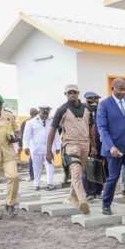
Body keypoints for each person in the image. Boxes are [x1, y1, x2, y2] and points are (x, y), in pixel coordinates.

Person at [46, 84, 93, 214]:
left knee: (80, 173)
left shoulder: (87, 109)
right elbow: (52, 130)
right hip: (70, 144)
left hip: (85, 144)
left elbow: (91, 128)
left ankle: (73, 197)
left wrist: (93, 145)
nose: (72, 94)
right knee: (76, 171)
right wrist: (48, 150)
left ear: (78, 93)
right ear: (65, 94)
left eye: (74, 92)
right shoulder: (62, 110)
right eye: (69, 93)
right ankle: (83, 201)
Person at [97, 78, 125, 215]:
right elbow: (102, 128)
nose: (124, 92)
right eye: (121, 89)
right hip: (114, 149)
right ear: (112, 88)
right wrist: (111, 146)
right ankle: (106, 204)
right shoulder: (104, 105)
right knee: (113, 177)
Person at [22, 106, 60, 191]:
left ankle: (50, 183)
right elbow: (26, 136)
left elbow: (56, 135)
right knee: (36, 167)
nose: (45, 115)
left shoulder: (52, 122)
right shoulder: (31, 122)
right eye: (44, 113)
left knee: (50, 165)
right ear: (40, 112)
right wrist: (26, 147)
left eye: (47, 113)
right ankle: (36, 184)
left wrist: (58, 146)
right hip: (36, 148)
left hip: (49, 149)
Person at [83, 92, 103, 200]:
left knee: (99, 167)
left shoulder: (100, 111)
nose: (94, 102)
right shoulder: (83, 112)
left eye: (96, 99)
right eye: (91, 100)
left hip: (100, 144)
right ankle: (90, 192)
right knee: (88, 168)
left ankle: (98, 191)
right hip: (88, 143)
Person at [19, 108, 38, 181]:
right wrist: (23, 145)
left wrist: (22, 145)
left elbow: (22, 135)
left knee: (34, 160)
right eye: (35, 114)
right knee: (32, 159)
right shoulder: (26, 122)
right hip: (31, 144)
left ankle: (34, 176)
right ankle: (33, 176)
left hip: (35, 144)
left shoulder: (38, 121)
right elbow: (22, 135)